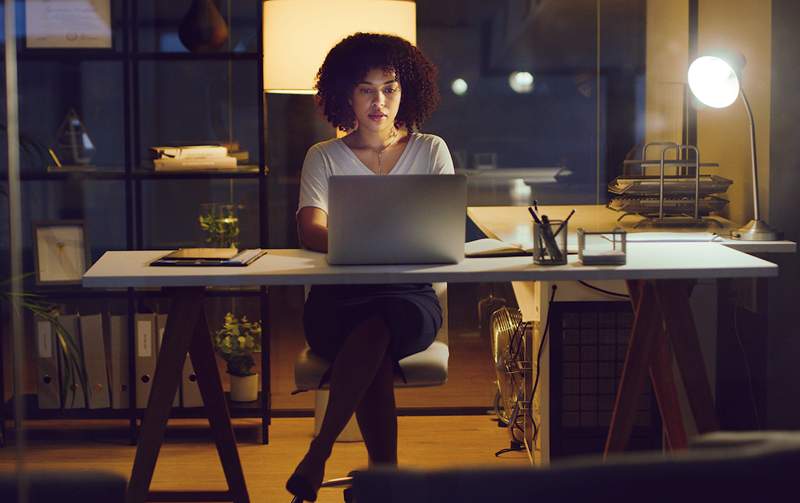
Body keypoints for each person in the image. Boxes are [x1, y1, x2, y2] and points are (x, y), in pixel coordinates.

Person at [287, 32, 454, 501]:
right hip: (338, 299)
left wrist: (372, 246)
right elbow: (309, 230)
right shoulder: (323, 157)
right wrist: (374, 246)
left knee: (382, 321)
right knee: (372, 333)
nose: (379, 101)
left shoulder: (430, 150)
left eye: (390, 88)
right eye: (366, 89)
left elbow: (442, 227)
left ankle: (318, 456)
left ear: (408, 91)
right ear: (346, 94)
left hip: (409, 298)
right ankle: (385, 483)